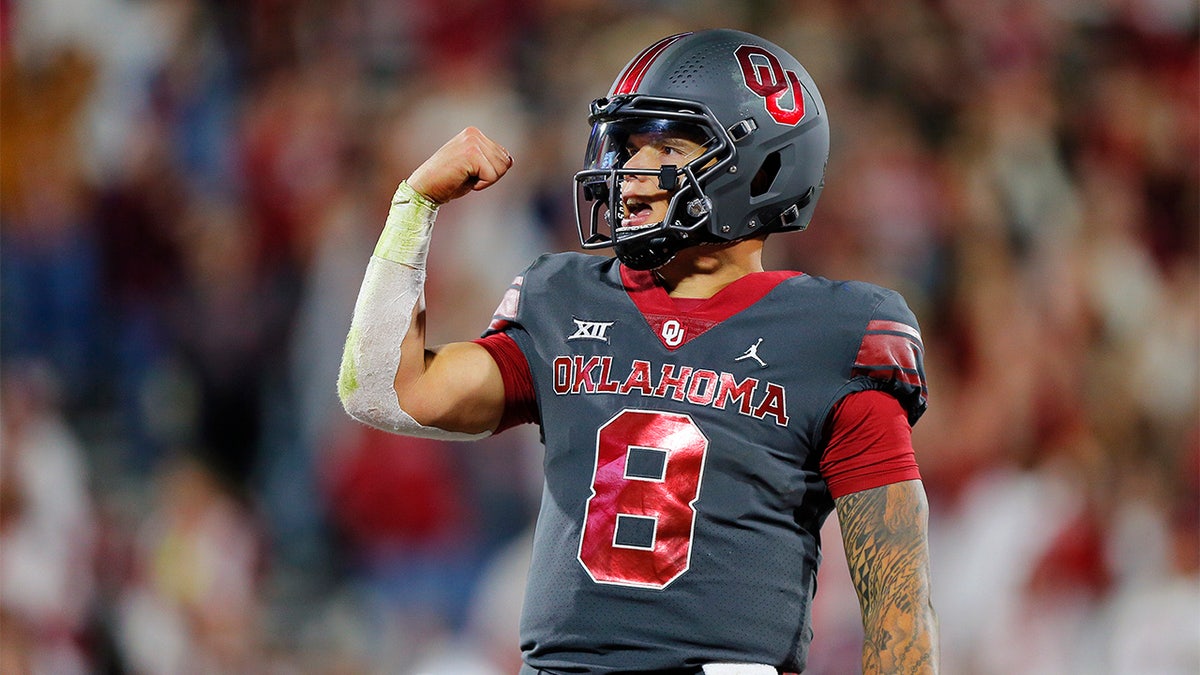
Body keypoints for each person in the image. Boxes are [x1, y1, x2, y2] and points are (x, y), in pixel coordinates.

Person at [338, 28, 938, 675]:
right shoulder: (563, 298)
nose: (629, 173)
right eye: (628, 147)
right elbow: (381, 389)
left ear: (761, 162)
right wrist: (415, 205)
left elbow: (898, 609)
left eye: (667, 146)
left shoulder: (833, 332)